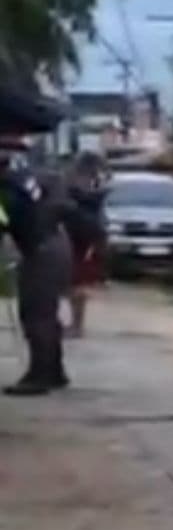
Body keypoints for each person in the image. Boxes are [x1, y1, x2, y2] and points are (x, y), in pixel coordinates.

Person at [0, 141, 74, 396]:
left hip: (41, 250)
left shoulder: (6, 191)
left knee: (35, 314)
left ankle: (39, 375)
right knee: (46, 312)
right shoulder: (23, 180)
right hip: (56, 244)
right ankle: (54, 370)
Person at [63, 152, 107, 338]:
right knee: (74, 282)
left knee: (76, 283)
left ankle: (77, 326)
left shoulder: (82, 187)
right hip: (87, 235)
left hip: (79, 235)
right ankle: (76, 324)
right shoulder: (97, 186)